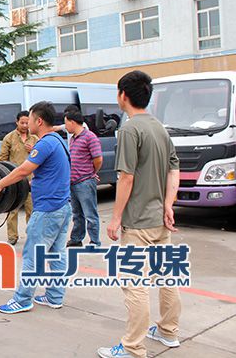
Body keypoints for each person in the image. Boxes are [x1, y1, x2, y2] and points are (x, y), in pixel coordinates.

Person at [97, 71, 181, 358]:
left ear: (123, 95)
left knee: (135, 284)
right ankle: (168, 331)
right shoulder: (159, 127)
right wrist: (168, 205)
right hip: (160, 220)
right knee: (167, 277)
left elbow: (126, 177)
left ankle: (133, 347)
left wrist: (115, 218)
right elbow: (174, 169)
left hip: (138, 223)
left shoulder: (130, 130)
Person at [0, 101, 71, 314]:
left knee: (33, 254)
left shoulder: (44, 143)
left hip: (48, 210)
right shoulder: (58, 140)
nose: (28, 123)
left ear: (39, 121)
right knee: (57, 253)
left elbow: (23, 170)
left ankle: (23, 299)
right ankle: (54, 297)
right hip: (62, 206)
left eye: (31, 119)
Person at [65, 107, 103, 247]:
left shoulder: (90, 137)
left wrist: (92, 173)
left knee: (90, 214)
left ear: (72, 122)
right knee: (77, 214)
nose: (65, 127)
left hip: (85, 182)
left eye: (66, 123)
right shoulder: (73, 139)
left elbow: (98, 159)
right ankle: (76, 238)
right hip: (73, 182)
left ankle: (95, 241)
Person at [0, 110, 38, 245]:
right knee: (12, 210)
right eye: (22, 123)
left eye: (27, 123)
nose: (25, 125)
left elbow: (42, 156)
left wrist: (33, 150)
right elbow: (2, 160)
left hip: (31, 180)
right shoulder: (9, 138)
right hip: (14, 180)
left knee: (32, 210)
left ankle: (32, 235)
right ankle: (12, 236)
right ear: (17, 122)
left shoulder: (35, 138)